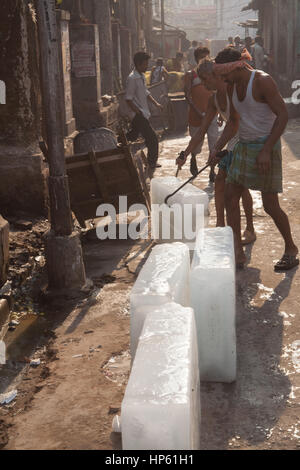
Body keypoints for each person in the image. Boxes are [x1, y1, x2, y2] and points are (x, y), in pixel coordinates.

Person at [208, 47, 298, 270]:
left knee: (270, 205)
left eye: (224, 74)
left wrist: (267, 150)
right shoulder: (231, 87)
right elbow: (234, 122)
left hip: (266, 146)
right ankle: (237, 251)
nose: (222, 79)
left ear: (237, 66)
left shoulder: (262, 81)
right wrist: (217, 148)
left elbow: (283, 115)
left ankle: (291, 249)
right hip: (244, 147)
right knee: (230, 196)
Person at [177, 57, 256, 244]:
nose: (203, 84)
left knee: (239, 186)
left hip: (245, 138)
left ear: (216, 75)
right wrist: (185, 154)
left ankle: (250, 229)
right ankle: (220, 225)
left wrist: (217, 149)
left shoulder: (232, 92)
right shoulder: (214, 100)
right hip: (231, 140)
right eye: (201, 80)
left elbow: (235, 124)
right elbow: (201, 131)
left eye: (205, 79)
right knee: (220, 181)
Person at [184, 46, 219, 182]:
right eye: (202, 57)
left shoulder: (214, 74)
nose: (205, 59)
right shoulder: (191, 74)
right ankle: (193, 157)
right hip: (196, 114)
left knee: (213, 142)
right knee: (196, 141)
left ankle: (212, 170)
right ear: (196, 58)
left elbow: (218, 94)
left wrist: (220, 114)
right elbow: (187, 95)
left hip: (212, 113)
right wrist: (198, 111)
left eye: (207, 57)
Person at [125, 51, 163, 170]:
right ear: (138, 64)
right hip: (138, 114)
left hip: (142, 113)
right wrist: (138, 112)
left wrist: (156, 103)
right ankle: (151, 162)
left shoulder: (141, 76)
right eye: (145, 64)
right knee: (152, 138)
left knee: (132, 136)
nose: (147, 66)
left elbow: (146, 93)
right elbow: (128, 99)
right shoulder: (132, 78)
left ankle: (116, 146)